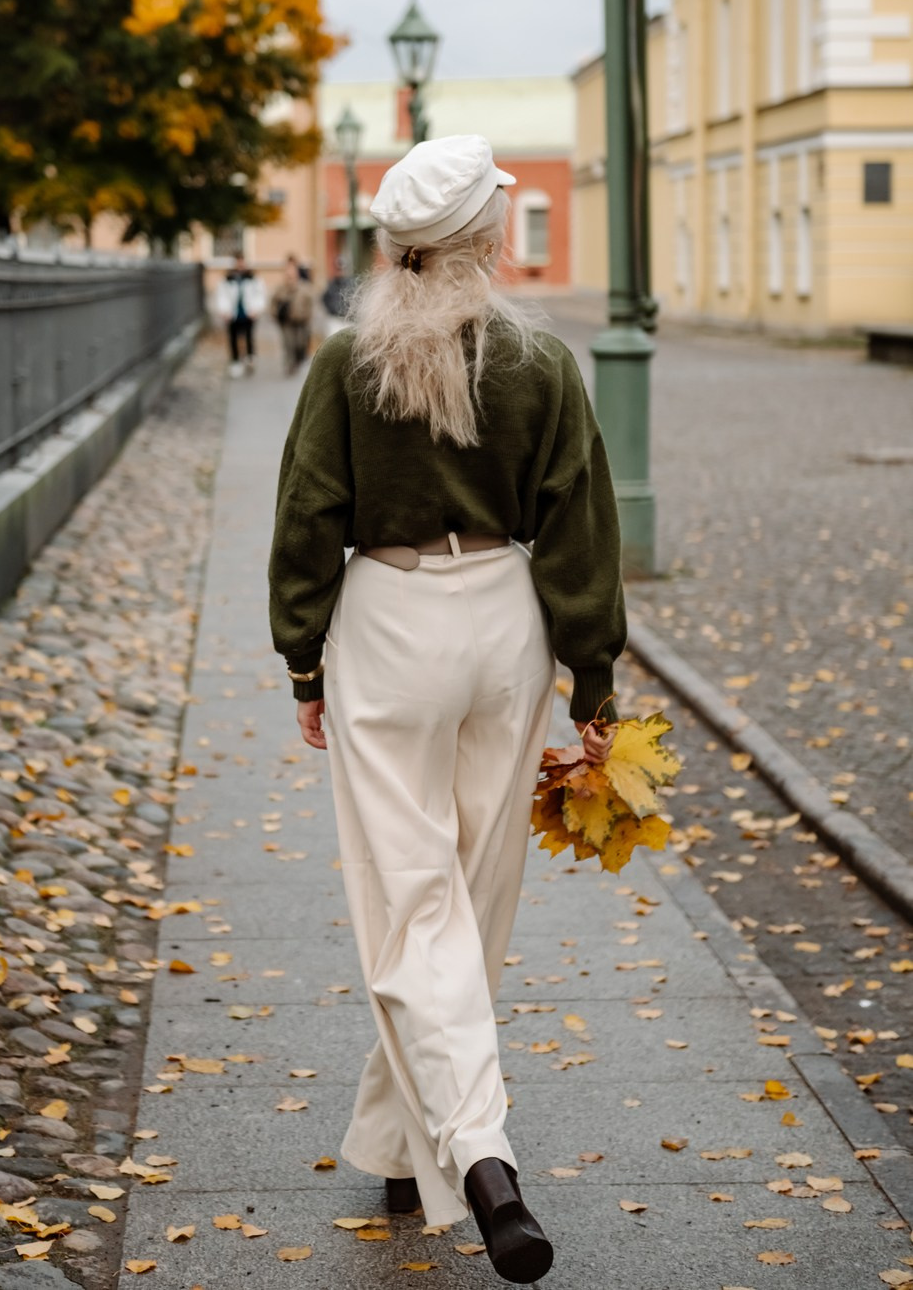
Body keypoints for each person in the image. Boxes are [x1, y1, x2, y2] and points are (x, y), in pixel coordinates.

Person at [268, 135, 625, 1283]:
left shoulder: (344, 362)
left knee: (410, 898)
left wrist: (304, 665)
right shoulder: (541, 362)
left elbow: (307, 517)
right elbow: (579, 525)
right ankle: (398, 1139)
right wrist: (596, 681)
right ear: (481, 240)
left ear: (392, 246)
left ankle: (479, 1155)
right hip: (504, 625)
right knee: (472, 892)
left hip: (388, 619)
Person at [213, 254, 267, 377]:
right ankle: (235, 361)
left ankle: (250, 358)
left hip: (248, 313)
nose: (240, 264)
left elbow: (260, 295)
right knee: (233, 338)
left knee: (249, 336)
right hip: (233, 314)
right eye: (238, 262)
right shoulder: (228, 279)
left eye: (242, 262)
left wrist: (256, 309)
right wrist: (224, 310)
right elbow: (222, 296)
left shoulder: (253, 279)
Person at [271, 256, 315, 374]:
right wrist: (275, 315)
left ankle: (298, 360)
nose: (290, 273)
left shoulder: (304, 287)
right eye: (287, 270)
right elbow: (273, 303)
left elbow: (310, 303)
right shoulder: (281, 288)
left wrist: (307, 316)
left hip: (301, 321)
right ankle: (290, 364)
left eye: (292, 270)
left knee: (300, 343)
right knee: (288, 343)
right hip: (286, 322)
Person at [321, 254, 353, 336]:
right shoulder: (330, 284)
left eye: (342, 269)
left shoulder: (351, 284)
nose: (340, 272)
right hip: (334, 319)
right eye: (338, 269)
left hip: (347, 320)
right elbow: (325, 299)